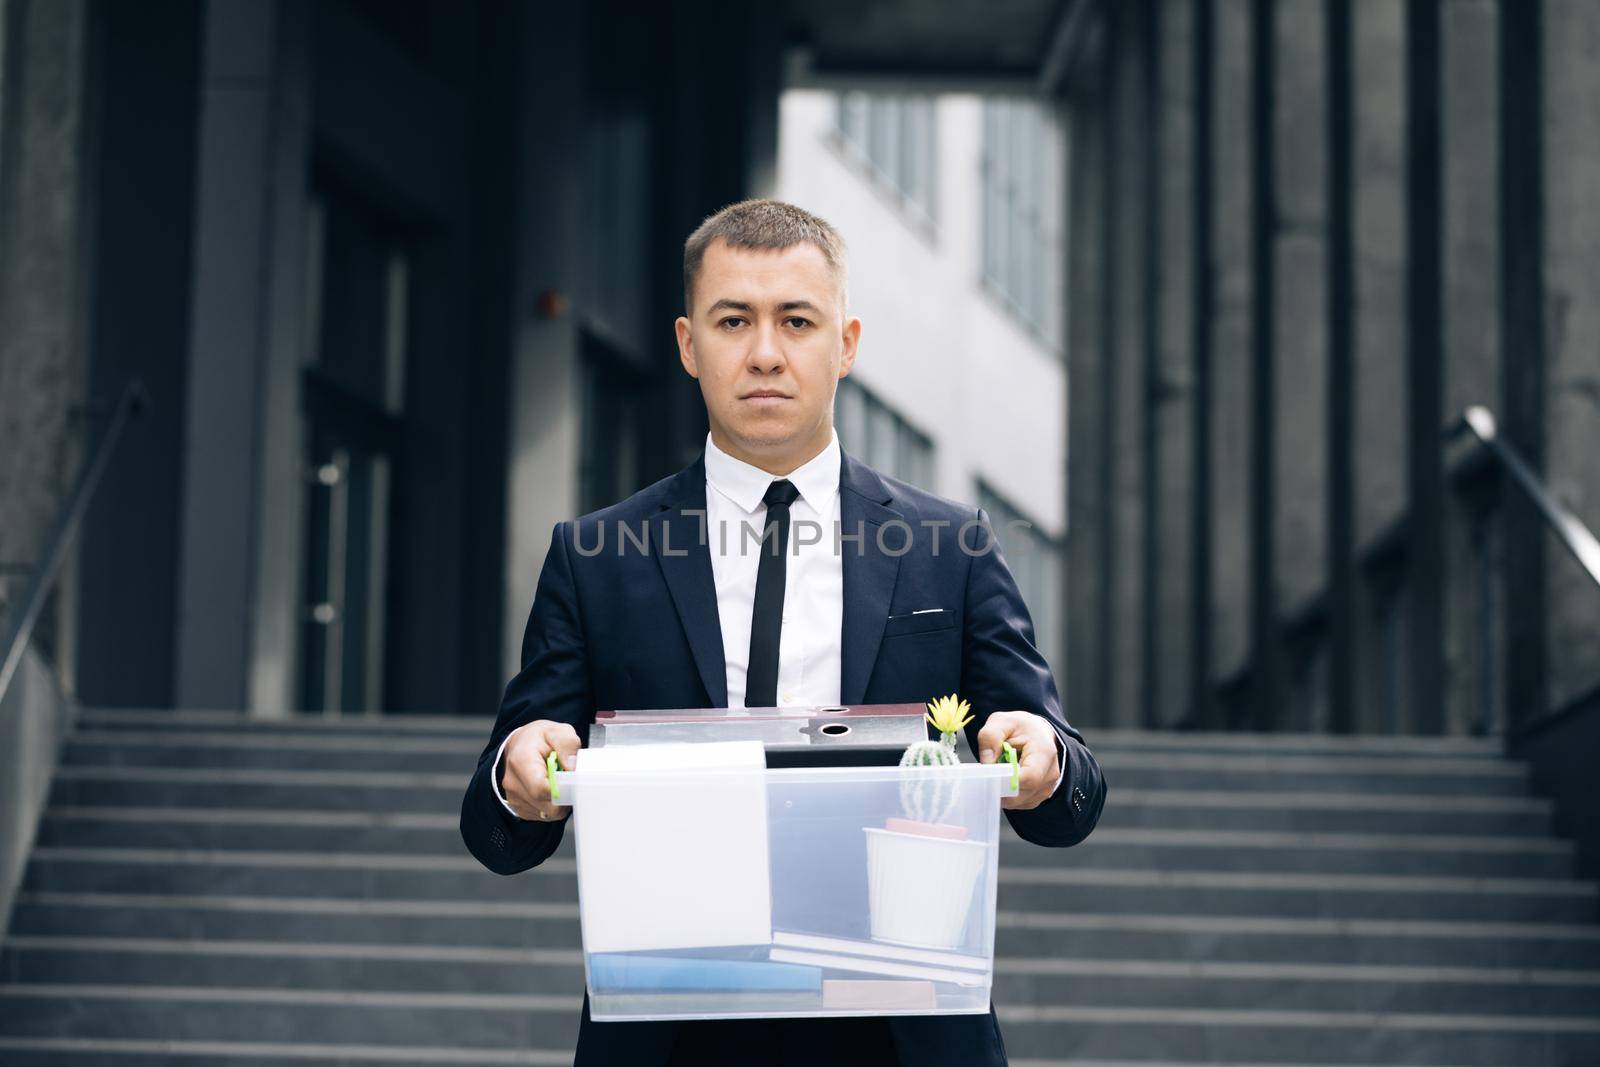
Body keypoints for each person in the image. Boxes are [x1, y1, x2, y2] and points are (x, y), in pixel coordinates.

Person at [460, 198, 1106, 1066]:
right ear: (690, 345)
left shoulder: (950, 546)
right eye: (735, 320)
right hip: (672, 1025)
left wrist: (1043, 754)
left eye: (796, 320)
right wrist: (518, 771)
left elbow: (1070, 801)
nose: (765, 351)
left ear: (845, 343)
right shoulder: (595, 556)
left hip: (901, 1025)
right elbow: (498, 827)